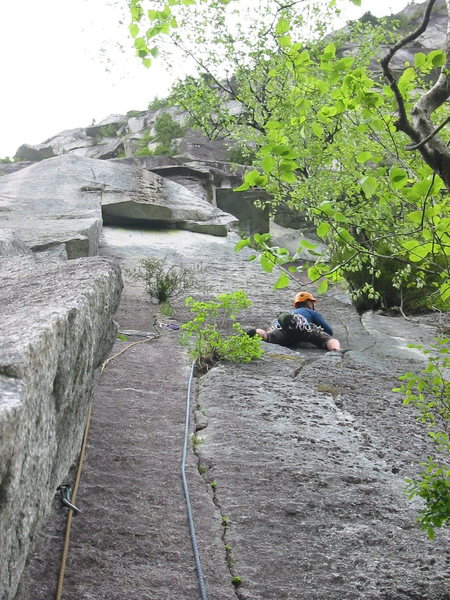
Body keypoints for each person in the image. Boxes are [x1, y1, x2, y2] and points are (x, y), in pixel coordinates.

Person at [247, 291, 341, 352]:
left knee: (268, 337)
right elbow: (329, 331)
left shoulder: (290, 312)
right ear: (310, 303)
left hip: (281, 330)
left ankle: (257, 333)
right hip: (301, 328)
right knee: (328, 339)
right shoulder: (309, 311)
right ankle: (336, 350)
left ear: (296, 305)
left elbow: (271, 328)